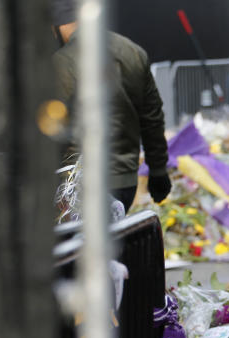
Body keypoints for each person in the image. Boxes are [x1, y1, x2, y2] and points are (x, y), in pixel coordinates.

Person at [51, 0, 171, 211]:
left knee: (87, 243)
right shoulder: (134, 52)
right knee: (119, 238)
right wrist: (158, 170)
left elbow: (55, 130)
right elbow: (152, 118)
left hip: (82, 185)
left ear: (58, 26)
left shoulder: (62, 62)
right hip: (125, 182)